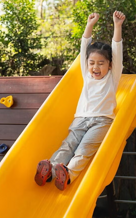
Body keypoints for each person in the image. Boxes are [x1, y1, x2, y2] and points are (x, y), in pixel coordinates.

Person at [35, 10, 126, 191]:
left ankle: (68, 174)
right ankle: (51, 171)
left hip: (102, 120)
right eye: (92, 63)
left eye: (101, 63)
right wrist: (89, 25)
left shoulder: (112, 77)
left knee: (84, 149)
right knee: (67, 145)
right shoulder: (86, 73)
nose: (95, 67)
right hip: (80, 118)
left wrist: (117, 26)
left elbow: (117, 49)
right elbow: (85, 46)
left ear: (109, 65)